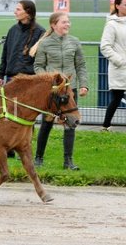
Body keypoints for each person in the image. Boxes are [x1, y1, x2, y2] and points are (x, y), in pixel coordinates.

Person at [33, 12, 89, 170]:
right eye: (64, 22)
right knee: (47, 123)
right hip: (53, 92)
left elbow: (81, 66)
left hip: (70, 91)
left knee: (70, 123)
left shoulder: (75, 42)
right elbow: (38, 66)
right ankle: (38, 158)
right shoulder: (44, 43)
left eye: (68, 22)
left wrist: (84, 84)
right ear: (54, 25)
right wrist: (48, 81)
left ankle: (68, 161)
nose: (68, 24)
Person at [0, 0, 45, 158]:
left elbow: (40, 58)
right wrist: (0, 74)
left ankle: (25, 146)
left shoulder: (40, 32)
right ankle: (8, 147)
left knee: (26, 115)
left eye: (18, 9)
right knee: (8, 113)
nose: (15, 12)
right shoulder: (13, 30)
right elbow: (5, 53)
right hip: (11, 79)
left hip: (29, 81)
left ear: (28, 12)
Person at [100, 0, 126, 132]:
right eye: (125, 4)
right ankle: (105, 126)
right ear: (117, 6)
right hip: (119, 69)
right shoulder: (111, 25)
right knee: (116, 99)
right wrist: (119, 61)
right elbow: (105, 46)